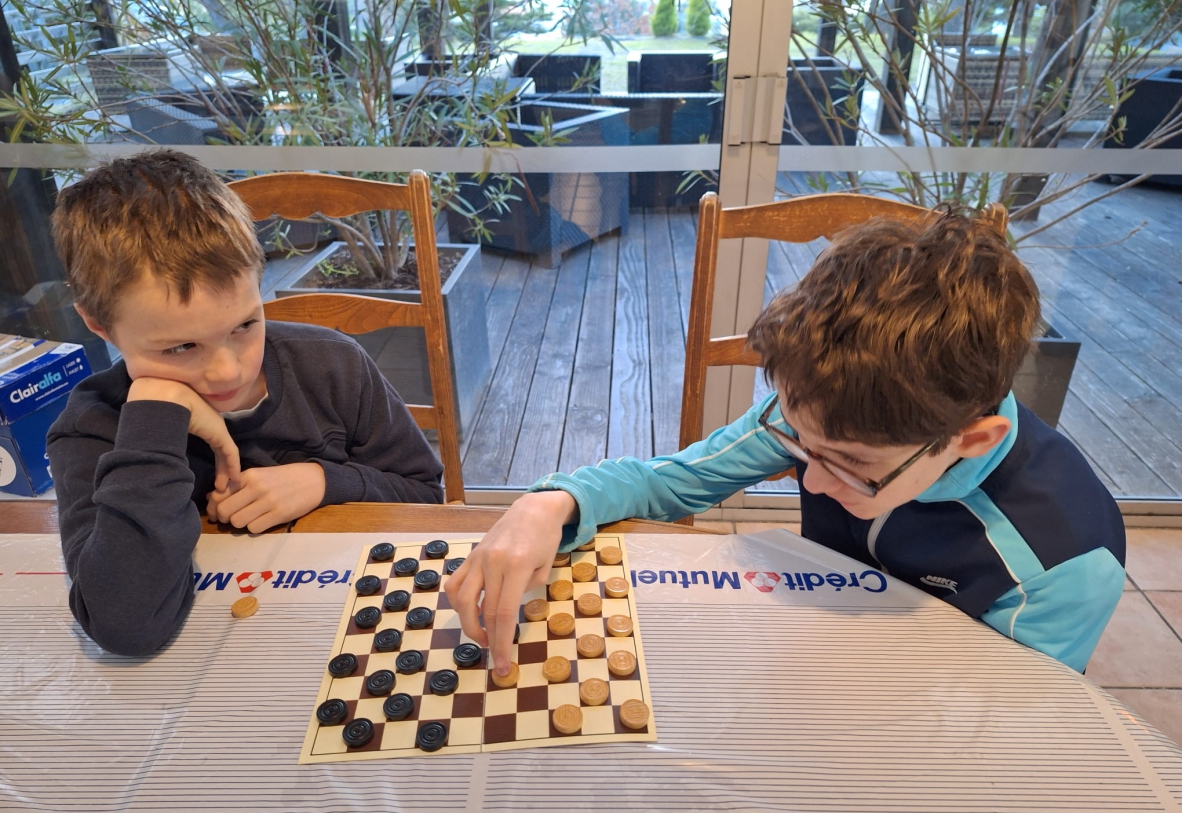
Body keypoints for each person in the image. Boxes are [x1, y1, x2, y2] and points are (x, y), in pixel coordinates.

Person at [447, 207, 1126, 676]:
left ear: (973, 439)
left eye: (853, 467)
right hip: (812, 648)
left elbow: (1004, 718)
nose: (810, 480)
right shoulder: (831, 412)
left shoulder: (1063, 567)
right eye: (799, 443)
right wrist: (551, 504)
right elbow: (670, 482)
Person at [48, 150, 445, 656]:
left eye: (244, 325)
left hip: (351, 629)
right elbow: (125, 625)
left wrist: (325, 481)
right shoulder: (93, 427)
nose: (228, 371)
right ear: (98, 325)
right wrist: (153, 414)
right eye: (180, 347)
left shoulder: (333, 365)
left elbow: (426, 498)